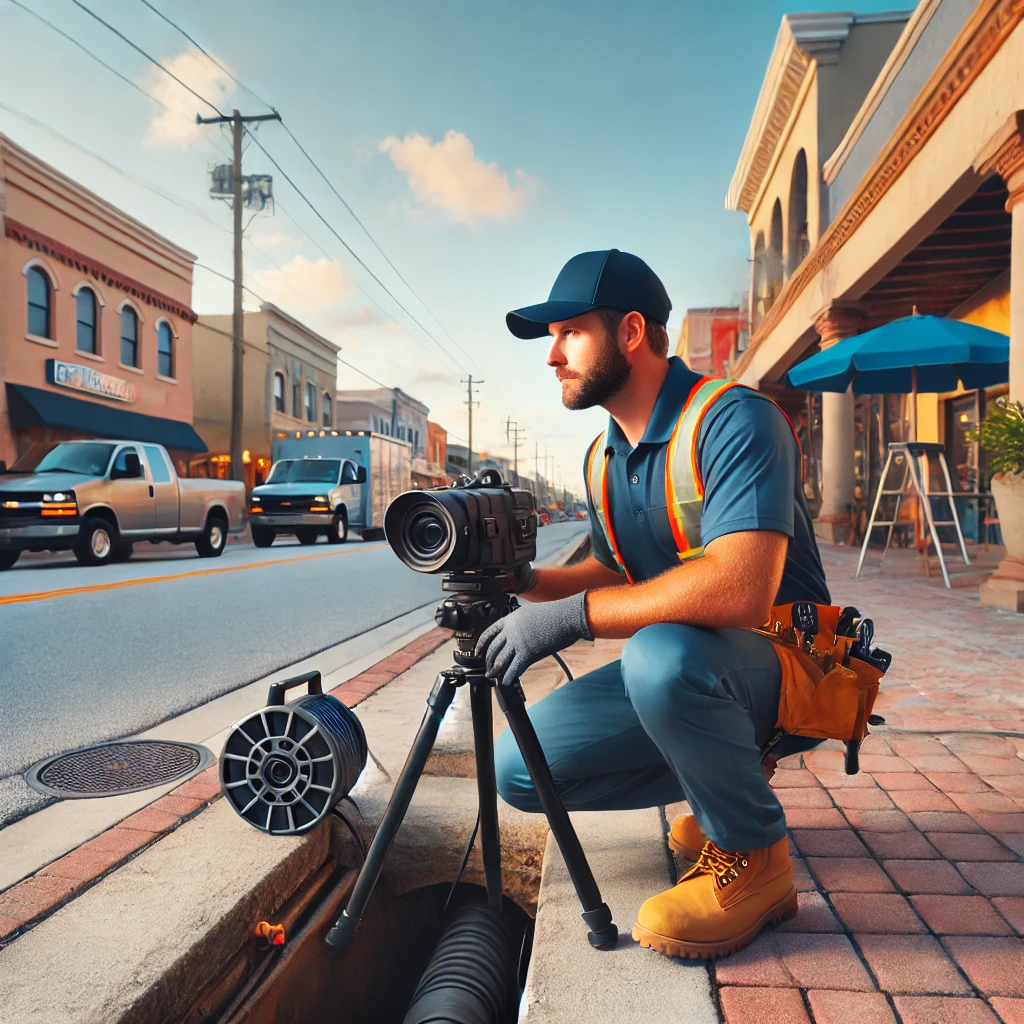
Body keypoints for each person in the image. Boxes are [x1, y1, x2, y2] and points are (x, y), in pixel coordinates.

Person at [476, 249, 831, 960]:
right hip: (692, 669)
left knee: (659, 655)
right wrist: (519, 579)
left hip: (791, 667)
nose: (552, 357)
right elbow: (607, 570)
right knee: (521, 770)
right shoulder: (604, 458)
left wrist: (570, 620)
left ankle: (754, 856)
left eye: (568, 332)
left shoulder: (735, 420)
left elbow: (740, 587)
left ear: (631, 332)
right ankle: (725, 778)